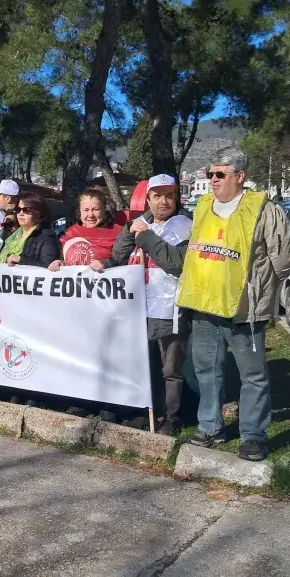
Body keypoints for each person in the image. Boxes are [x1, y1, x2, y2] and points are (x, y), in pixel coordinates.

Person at [176, 147, 290, 461]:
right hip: (205, 306)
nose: (212, 180)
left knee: (252, 376)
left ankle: (253, 436)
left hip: (245, 311)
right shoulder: (202, 206)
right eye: (209, 174)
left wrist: (261, 289)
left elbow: (282, 262)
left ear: (239, 177)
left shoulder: (265, 210)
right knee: (206, 371)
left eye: (219, 174)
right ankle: (210, 427)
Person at [112, 175, 193, 436]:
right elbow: (118, 255)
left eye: (169, 195)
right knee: (146, 364)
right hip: (139, 308)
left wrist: (145, 236)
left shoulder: (185, 227)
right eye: (157, 196)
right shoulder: (141, 224)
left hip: (171, 308)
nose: (163, 201)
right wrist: (130, 229)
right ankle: (150, 412)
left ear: (176, 198)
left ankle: (172, 417)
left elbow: (176, 263)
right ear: (148, 199)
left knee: (170, 368)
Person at [48, 189, 122, 273]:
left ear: (104, 210)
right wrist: (60, 263)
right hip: (74, 284)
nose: (90, 215)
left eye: (95, 209)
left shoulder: (119, 233)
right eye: (86, 210)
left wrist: (105, 264)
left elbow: (125, 261)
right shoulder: (70, 232)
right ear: (80, 212)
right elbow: (65, 259)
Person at [0, 193, 60, 268]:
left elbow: (48, 267)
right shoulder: (12, 236)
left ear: (38, 213)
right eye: (18, 210)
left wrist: (21, 260)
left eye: (26, 210)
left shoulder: (47, 237)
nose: (21, 214)